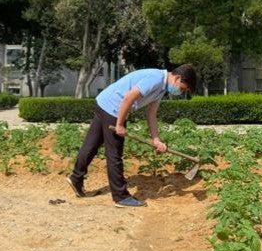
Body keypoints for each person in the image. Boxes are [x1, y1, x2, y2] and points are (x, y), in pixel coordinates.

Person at [67, 64, 197, 208]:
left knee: (91, 144)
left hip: (104, 102)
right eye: (183, 88)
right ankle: (120, 197)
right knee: (114, 154)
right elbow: (128, 98)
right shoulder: (156, 79)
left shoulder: (162, 87)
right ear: (177, 78)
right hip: (113, 108)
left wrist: (156, 139)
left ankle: (76, 178)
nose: (180, 91)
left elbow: (151, 113)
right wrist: (120, 124)